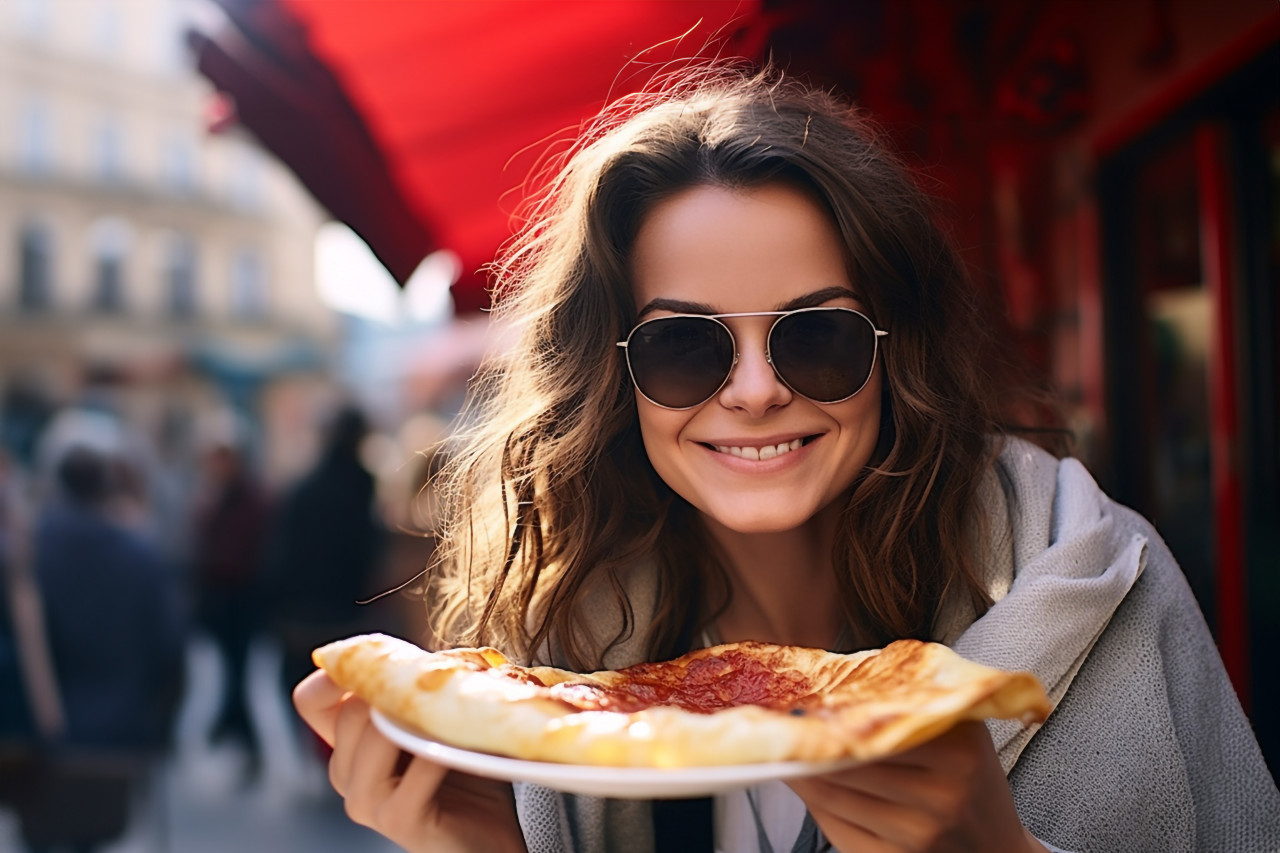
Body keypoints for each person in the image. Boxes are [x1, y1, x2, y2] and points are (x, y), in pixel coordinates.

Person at [293, 64, 1279, 852]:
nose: (756, 389)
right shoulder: (557, 648)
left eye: (817, 337)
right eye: (685, 347)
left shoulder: (1101, 575)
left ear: (900, 350)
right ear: (612, 376)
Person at [266, 402, 386, 697]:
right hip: (346, 617)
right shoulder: (362, 490)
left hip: (304, 616)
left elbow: (281, 557)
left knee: (306, 694)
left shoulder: (304, 490)